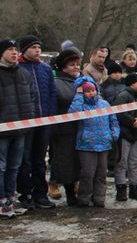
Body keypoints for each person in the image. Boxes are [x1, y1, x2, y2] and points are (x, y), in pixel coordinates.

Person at [16, 34, 57, 210]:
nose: (37, 50)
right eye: (33, 47)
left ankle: (41, 193)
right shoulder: (18, 69)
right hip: (25, 122)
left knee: (40, 160)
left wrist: (51, 116)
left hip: (44, 120)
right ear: (25, 50)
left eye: (39, 47)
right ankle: (25, 194)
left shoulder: (46, 69)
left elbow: (51, 93)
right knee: (25, 160)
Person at [68, 77, 119, 207]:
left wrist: (114, 133)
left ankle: (99, 198)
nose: (91, 93)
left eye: (93, 90)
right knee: (87, 173)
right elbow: (73, 113)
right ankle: (84, 198)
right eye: (87, 91)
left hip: (104, 143)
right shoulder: (81, 105)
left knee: (101, 173)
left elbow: (113, 120)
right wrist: (79, 95)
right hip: (86, 144)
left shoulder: (104, 104)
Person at [0, 38, 36, 218]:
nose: (14, 53)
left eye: (15, 49)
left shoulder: (23, 74)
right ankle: (1, 200)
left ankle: (10, 197)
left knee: (15, 166)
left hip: (22, 128)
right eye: (9, 50)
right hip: (2, 131)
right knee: (1, 166)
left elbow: (32, 97)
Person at [49, 47, 83, 205]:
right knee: (67, 162)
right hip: (64, 130)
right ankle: (70, 194)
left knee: (80, 161)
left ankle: (79, 189)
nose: (76, 67)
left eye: (77, 64)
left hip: (82, 128)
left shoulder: (83, 82)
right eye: (72, 65)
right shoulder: (56, 83)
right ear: (63, 67)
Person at [113, 73, 137, 201]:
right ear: (132, 83)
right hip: (123, 134)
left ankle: (135, 188)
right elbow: (119, 113)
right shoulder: (123, 95)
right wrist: (133, 121)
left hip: (135, 134)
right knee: (121, 162)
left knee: (133, 162)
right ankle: (121, 189)